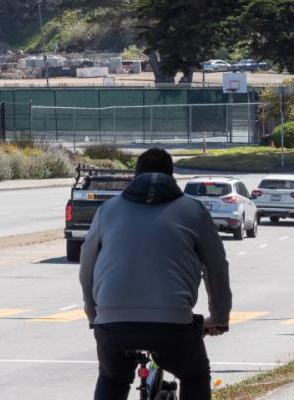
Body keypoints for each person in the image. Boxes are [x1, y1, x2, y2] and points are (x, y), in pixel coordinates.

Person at [79, 148, 232, 400]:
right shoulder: (193, 211)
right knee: (194, 375)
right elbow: (217, 268)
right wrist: (219, 317)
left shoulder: (108, 210)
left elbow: (87, 267)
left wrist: (95, 315)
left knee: (112, 378)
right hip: (172, 325)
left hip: (113, 325)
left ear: (135, 176)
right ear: (172, 176)